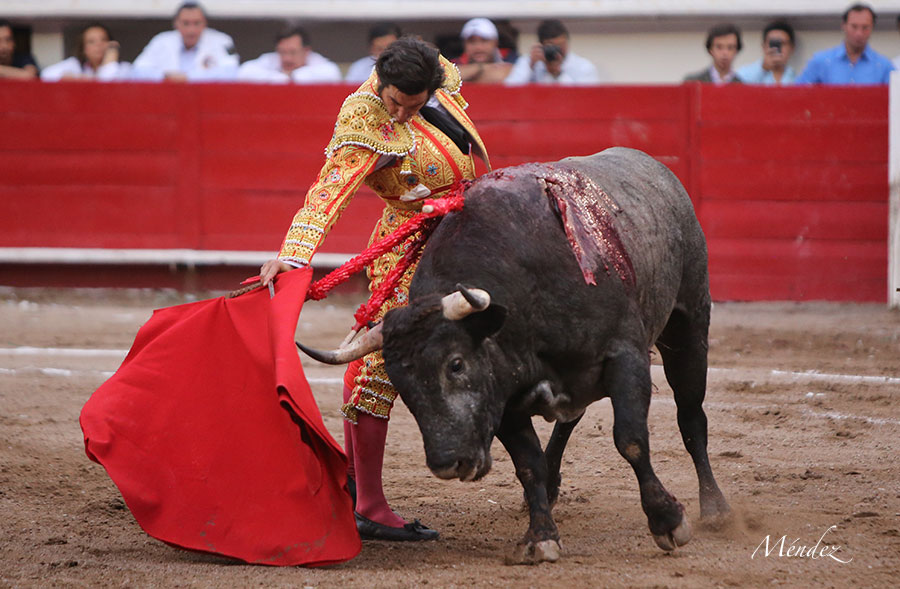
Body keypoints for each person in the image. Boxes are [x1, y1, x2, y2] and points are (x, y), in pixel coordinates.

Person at [259, 37, 490, 541]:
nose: (403, 113)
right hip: (408, 247)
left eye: (414, 103)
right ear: (379, 84)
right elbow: (329, 192)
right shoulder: (365, 120)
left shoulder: (436, 79)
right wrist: (294, 255)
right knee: (377, 362)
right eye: (395, 102)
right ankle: (369, 502)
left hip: (467, 236)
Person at [131, 1, 238, 81]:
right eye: (186, 23)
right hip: (166, 99)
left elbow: (231, 71)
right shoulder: (161, 41)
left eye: (196, 23)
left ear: (205, 23)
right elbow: (138, 69)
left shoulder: (222, 41)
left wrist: (188, 77)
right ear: (176, 24)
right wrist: (165, 76)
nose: (191, 30)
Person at [796, 3, 894, 85]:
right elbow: (798, 94)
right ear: (844, 26)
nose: (859, 33)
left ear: (872, 28)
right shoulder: (821, 62)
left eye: (865, 27)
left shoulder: (884, 67)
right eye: (854, 26)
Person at [505, 19, 600, 85]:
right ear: (541, 45)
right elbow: (510, 90)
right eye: (552, 46)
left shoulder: (583, 66)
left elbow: (584, 97)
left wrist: (557, 74)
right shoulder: (529, 61)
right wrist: (530, 67)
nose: (557, 51)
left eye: (561, 46)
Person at [238, 25, 341, 83]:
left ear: (306, 51)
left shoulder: (316, 61)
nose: (287, 58)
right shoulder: (271, 59)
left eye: (293, 52)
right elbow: (244, 72)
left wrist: (293, 75)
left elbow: (333, 74)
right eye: (282, 52)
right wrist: (278, 78)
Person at [40, 24, 130, 82]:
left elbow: (106, 82)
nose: (99, 44)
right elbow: (46, 74)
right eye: (91, 42)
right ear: (84, 49)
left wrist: (111, 58)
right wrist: (80, 78)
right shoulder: (76, 65)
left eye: (104, 39)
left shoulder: (124, 68)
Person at [453, 18, 513, 84]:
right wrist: (481, 67)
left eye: (484, 41)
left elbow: (505, 74)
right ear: (464, 44)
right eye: (472, 42)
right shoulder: (455, 63)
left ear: (495, 42)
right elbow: (448, 77)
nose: (478, 47)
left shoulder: (510, 58)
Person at [737, 20, 797, 85]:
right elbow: (734, 86)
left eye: (782, 43)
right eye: (773, 43)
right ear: (764, 47)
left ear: (792, 48)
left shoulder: (794, 77)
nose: (776, 48)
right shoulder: (746, 73)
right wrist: (764, 68)